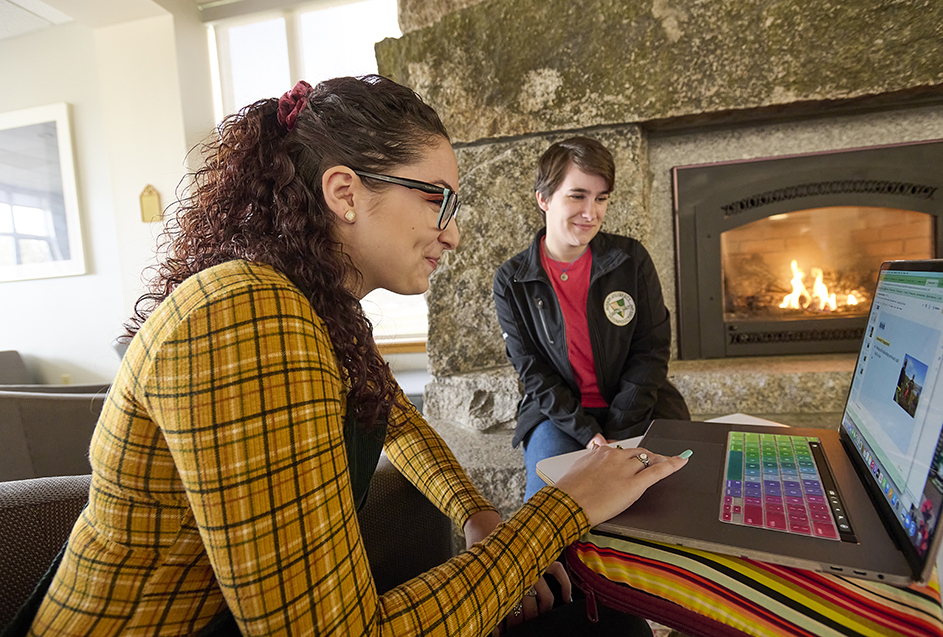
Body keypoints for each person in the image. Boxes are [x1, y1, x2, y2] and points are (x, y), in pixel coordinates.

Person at [22, 78, 689, 636]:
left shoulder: (315, 311)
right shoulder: (244, 317)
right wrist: (560, 510)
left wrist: (480, 515)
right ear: (344, 193)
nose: (452, 234)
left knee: (601, 617)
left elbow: (400, 418)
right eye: (437, 199)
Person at [494, 136, 691, 501]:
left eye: (601, 198)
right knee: (547, 509)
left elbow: (651, 352)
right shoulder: (513, 280)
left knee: (679, 496)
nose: (592, 213)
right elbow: (533, 372)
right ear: (544, 198)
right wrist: (587, 434)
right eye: (577, 195)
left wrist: (618, 431)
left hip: (639, 407)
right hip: (560, 416)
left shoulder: (631, 260)